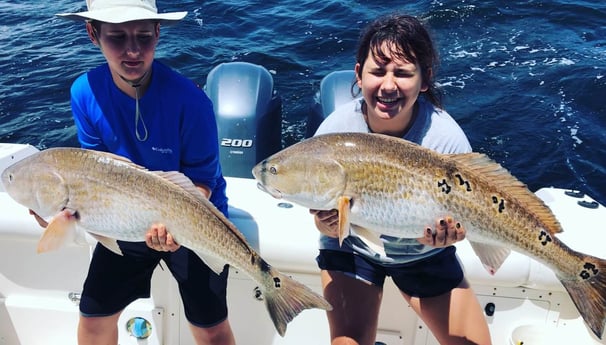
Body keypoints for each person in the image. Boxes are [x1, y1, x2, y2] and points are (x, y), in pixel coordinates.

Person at [35, 1, 237, 344]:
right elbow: (94, 175)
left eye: (144, 36)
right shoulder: (84, 93)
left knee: (211, 329)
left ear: (158, 33)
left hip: (195, 220)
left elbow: (202, 181)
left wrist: (177, 224)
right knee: (93, 319)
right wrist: (57, 210)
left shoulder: (192, 102)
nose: (132, 50)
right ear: (92, 33)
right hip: (124, 218)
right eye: (116, 37)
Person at [309, 13, 492, 345]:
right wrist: (328, 225)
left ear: (425, 80)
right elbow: (325, 222)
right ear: (359, 75)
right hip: (354, 250)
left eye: (403, 73)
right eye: (377, 72)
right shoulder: (335, 134)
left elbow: (471, 211)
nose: (388, 85)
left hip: (423, 254)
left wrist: (453, 234)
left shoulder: (445, 139)